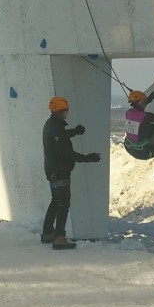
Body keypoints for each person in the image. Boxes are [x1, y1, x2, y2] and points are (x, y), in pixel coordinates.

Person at [41, 96, 100, 250]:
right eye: (65, 111)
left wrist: (74, 131)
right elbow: (67, 152)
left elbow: (60, 137)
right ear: (61, 112)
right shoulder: (55, 127)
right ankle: (59, 238)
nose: (67, 113)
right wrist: (87, 158)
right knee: (63, 204)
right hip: (59, 172)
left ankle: (48, 232)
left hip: (53, 170)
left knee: (56, 201)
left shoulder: (52, 124)